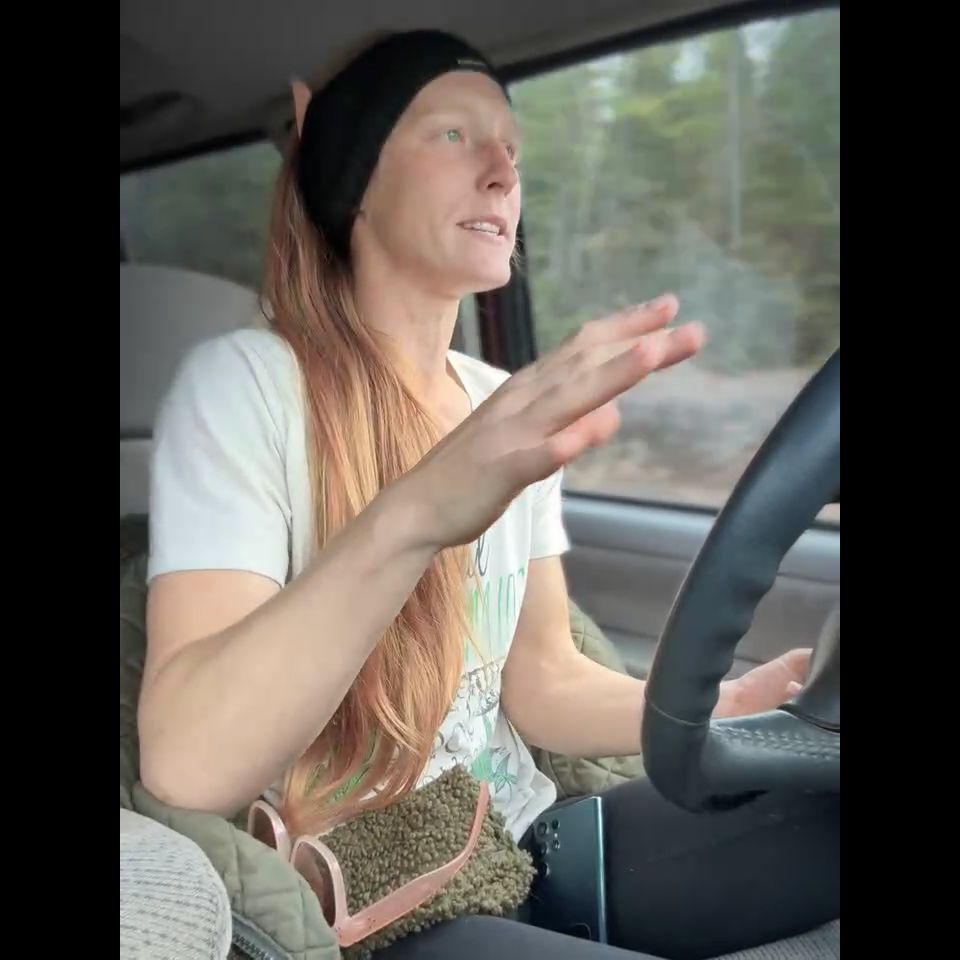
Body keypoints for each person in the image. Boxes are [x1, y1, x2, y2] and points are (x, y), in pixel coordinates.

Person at [137, 29, 839, 960]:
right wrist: (422, 509)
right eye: (454, 135)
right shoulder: (246, 388)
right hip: (396, 899)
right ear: (355, 176)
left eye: (512, 146)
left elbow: (542, 680)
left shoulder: (500, 401)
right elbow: (186, 764)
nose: (505, 173)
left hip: (530, 841)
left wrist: (728, 705)